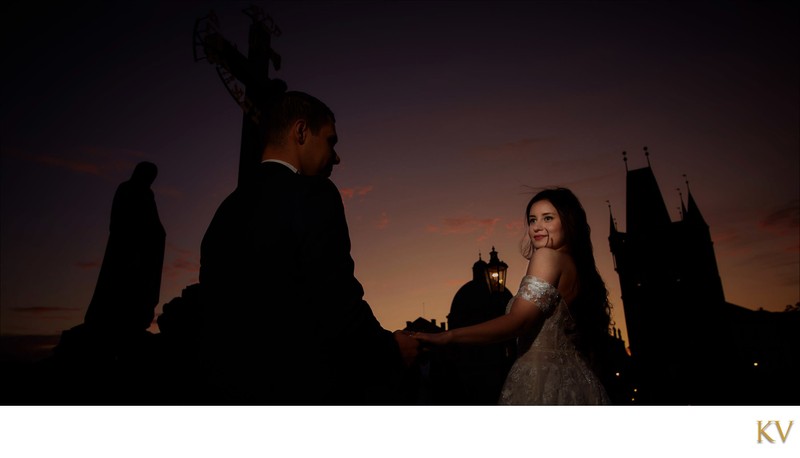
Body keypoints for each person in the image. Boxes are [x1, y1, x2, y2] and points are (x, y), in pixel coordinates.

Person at [198, 90, 419, 404]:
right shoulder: (314, 194)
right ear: (301, 131)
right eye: (331, 141)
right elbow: (337, 305)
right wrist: (392, 350)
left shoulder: (225, 212)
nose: (337, 156)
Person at [412, 187, 611, 404]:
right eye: (532, 220)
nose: (537, 227)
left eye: (548, 218)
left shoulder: (547, 256)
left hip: (541, 382)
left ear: (568, 222)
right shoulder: (577, 268)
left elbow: (519, 321)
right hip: (578, 382)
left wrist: (448, 336)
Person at [84, 161, 165, 335]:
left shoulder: (148, 194)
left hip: (144, 249)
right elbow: (120, 220)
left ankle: (134, 317)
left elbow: (154, 223)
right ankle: (109, 318)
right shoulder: (127, 189)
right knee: (118, 281)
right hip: (126, 247)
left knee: (139, 284)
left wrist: (158, 235)